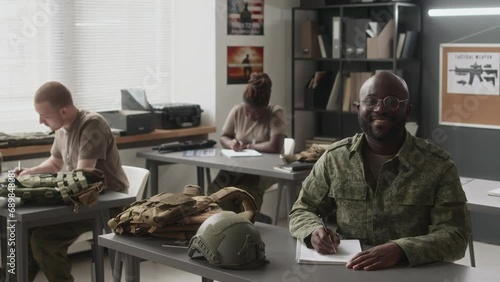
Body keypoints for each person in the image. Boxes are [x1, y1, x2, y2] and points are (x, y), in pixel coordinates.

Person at [289, 71, 470, 270]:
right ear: (358, 108)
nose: (380, 108)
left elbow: (456, 235)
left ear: (407, 110)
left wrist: (401, 249)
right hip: (351, 271)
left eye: (391, 101)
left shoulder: (438, 165)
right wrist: (313, 230)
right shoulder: (336, 158)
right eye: (371, 100)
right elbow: (302, 209)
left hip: (411, 273)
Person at [15, 81, 129, 281]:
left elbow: (82, 175)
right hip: (81, 199)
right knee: (21, 231)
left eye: (45, 115)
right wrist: (29, 172)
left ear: (64, 110)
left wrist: (40, 185)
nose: (41, 121)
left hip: (109, 204)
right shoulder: (61, 127)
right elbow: (55, 162)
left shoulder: (92, 124)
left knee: (43, 240)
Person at [208, 72, 287, 222]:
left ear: (265, 108)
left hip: (269, 168)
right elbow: (224, 136)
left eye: (256, 113)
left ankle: (247, 222)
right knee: (215, 189)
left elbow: (275, 146)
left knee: (248, 191)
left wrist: (250, 146)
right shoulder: (238, 110)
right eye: (248, 110)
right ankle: (230, 221)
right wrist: (231, 143)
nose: (250, 116)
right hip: (239, 164)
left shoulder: (275, 113)